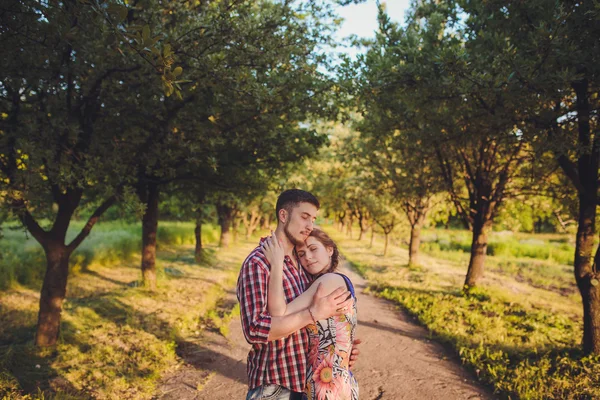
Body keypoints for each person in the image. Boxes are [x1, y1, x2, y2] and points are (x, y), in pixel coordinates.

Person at [237, 189, 357, 400]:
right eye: (304, 217)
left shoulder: (302, 263)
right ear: (283, 216)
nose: (310, 225)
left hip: (306, 384)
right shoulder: (258, 263)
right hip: (275, 385)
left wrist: (339, 347)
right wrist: (312, 313)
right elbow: (255, 330)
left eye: (313, 219)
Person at [263, 228, 358, 400]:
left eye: (313, 249)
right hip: (337, 381)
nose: (307, 257)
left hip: (326, 385)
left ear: (330, 249)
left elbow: (278, 313)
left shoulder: (328, 281)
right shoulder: (338, 280)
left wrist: (276, 264)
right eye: (301, 254)